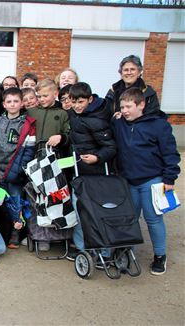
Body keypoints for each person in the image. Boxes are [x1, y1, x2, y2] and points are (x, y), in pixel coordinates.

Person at [112, 88, 180, 275]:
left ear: (141, 104)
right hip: (128, 180)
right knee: (130, 218)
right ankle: (127, 251)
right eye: (122, 106)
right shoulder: (119, 123)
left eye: (128, 106)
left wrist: (169, 177)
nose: (124, 110)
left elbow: (170, 153)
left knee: (153, 219)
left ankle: (160, 256)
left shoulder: (158, 125)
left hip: (152, 180)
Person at [66, 82, 116, 261]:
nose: (77, 105)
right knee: (79, 214)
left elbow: (110, 147)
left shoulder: (98, 118)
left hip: (99, 176)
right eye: (74, 102)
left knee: (99, 215)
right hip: (79, 174)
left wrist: (97, 158)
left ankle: (105, 252)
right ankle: (83, 251)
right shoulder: (72, 115)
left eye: (81, 101)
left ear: (90, 99)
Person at [0, 87, 36, 248]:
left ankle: (16, 233)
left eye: (16, 101)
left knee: (16, 203)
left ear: (21, 104)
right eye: (9, 101)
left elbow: (29, 150)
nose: (12, 104)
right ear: (4, 104)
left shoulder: (27, 124)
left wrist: (20, 169)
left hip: (15, 170)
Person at [26, 79, 69, 251]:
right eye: (39, 96)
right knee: (36, 200)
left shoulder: (63, 113)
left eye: (45, 96)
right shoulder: (31, 111)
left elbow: (69, 133)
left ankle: (59, 234)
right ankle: (39, 235)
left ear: (55, 94)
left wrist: (62, 137)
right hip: (33, 159)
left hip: (55, 160)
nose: (42, 99)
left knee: (55, 198)